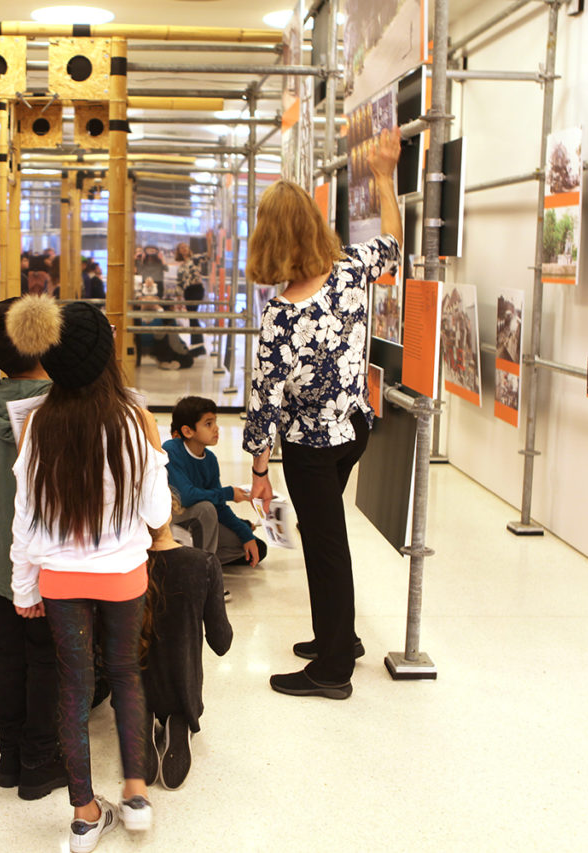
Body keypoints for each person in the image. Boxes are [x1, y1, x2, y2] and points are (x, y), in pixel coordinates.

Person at [6, 294, 170, 853]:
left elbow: (23, 521)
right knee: (126, 676)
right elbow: (154, 516)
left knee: (73, 690)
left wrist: (24, 589)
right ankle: (137, 795)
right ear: (106, 356)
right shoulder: (134, 422)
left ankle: (82, 815)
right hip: (124, 574)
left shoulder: (37, 426)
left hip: (60, 581)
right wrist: (158, 454)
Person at [245, 128, 402, 700]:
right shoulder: (352, 269)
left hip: (310, 446)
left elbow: (265, 403)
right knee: (325, 537)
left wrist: (260, 474)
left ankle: (333, 666)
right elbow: (392, 240)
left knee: (326, 545)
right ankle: (338, 637)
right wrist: (384, 175)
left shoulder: (281, 314)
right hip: (355, 427)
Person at [0, 297, 66, 801]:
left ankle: (8, 759)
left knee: (9, 657)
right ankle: (40, 760)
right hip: (50, 560)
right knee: (47, 659)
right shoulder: (64, 403)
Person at [142, 521, 232, 791]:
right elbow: (221, 642)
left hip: (134, 687)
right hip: (183, 685)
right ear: (169, 514)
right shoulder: (202, 563)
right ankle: (180, 719)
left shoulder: (123, 563)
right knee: (184, 682)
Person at [163, 396, 265, 568]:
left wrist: (245, 534)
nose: (216, 429)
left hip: (199, 526)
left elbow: (220, 505)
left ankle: (194, 560)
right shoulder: (171, 449)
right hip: (174, 522)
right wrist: (229, 493)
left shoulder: (210, 459)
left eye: (215, 422)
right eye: (208, 424)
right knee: (206, 509)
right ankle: (205, 575)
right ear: (188, 431)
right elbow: (185, 497)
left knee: (256, 547)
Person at [174, 243, 205, 353]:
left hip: (196, 288)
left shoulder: (195, 259)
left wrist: (211, 242)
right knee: (192, 316)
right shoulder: (181, 267)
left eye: (186, 247)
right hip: (187, 291)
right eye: (181, 248)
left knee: (193, 315)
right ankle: (197, 344)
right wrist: (178, 299)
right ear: (179, 251)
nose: (184, 249)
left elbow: (208, 256)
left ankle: (198, 344)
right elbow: (179, 283)